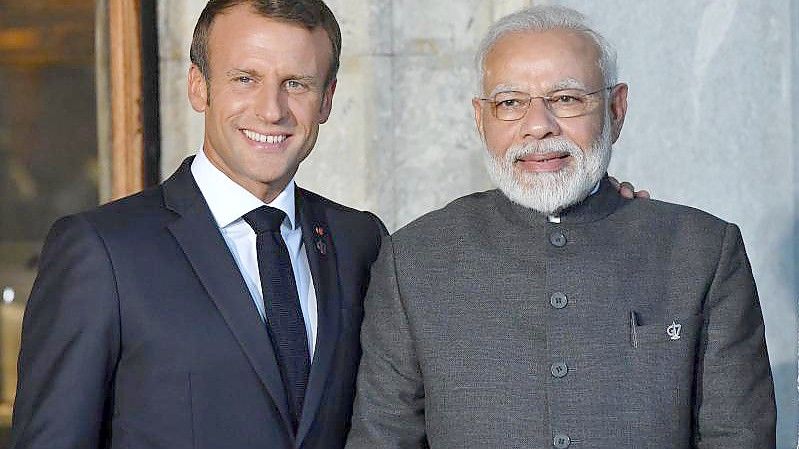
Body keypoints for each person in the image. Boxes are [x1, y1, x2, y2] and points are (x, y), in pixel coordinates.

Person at [345, 5, 775, 449]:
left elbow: (739, 436)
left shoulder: (703, 251)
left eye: (566, 99)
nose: (538, 127)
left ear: (616, 108)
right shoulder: (414, 258)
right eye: (510, 103)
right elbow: (383, 437)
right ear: (480, 118)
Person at [10, 1, 387, 448]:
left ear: (326, 100)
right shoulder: (102, 250)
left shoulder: (358, 241)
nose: (272, 110)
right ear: (198, 87)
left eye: (296, 84)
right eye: (245, 79)